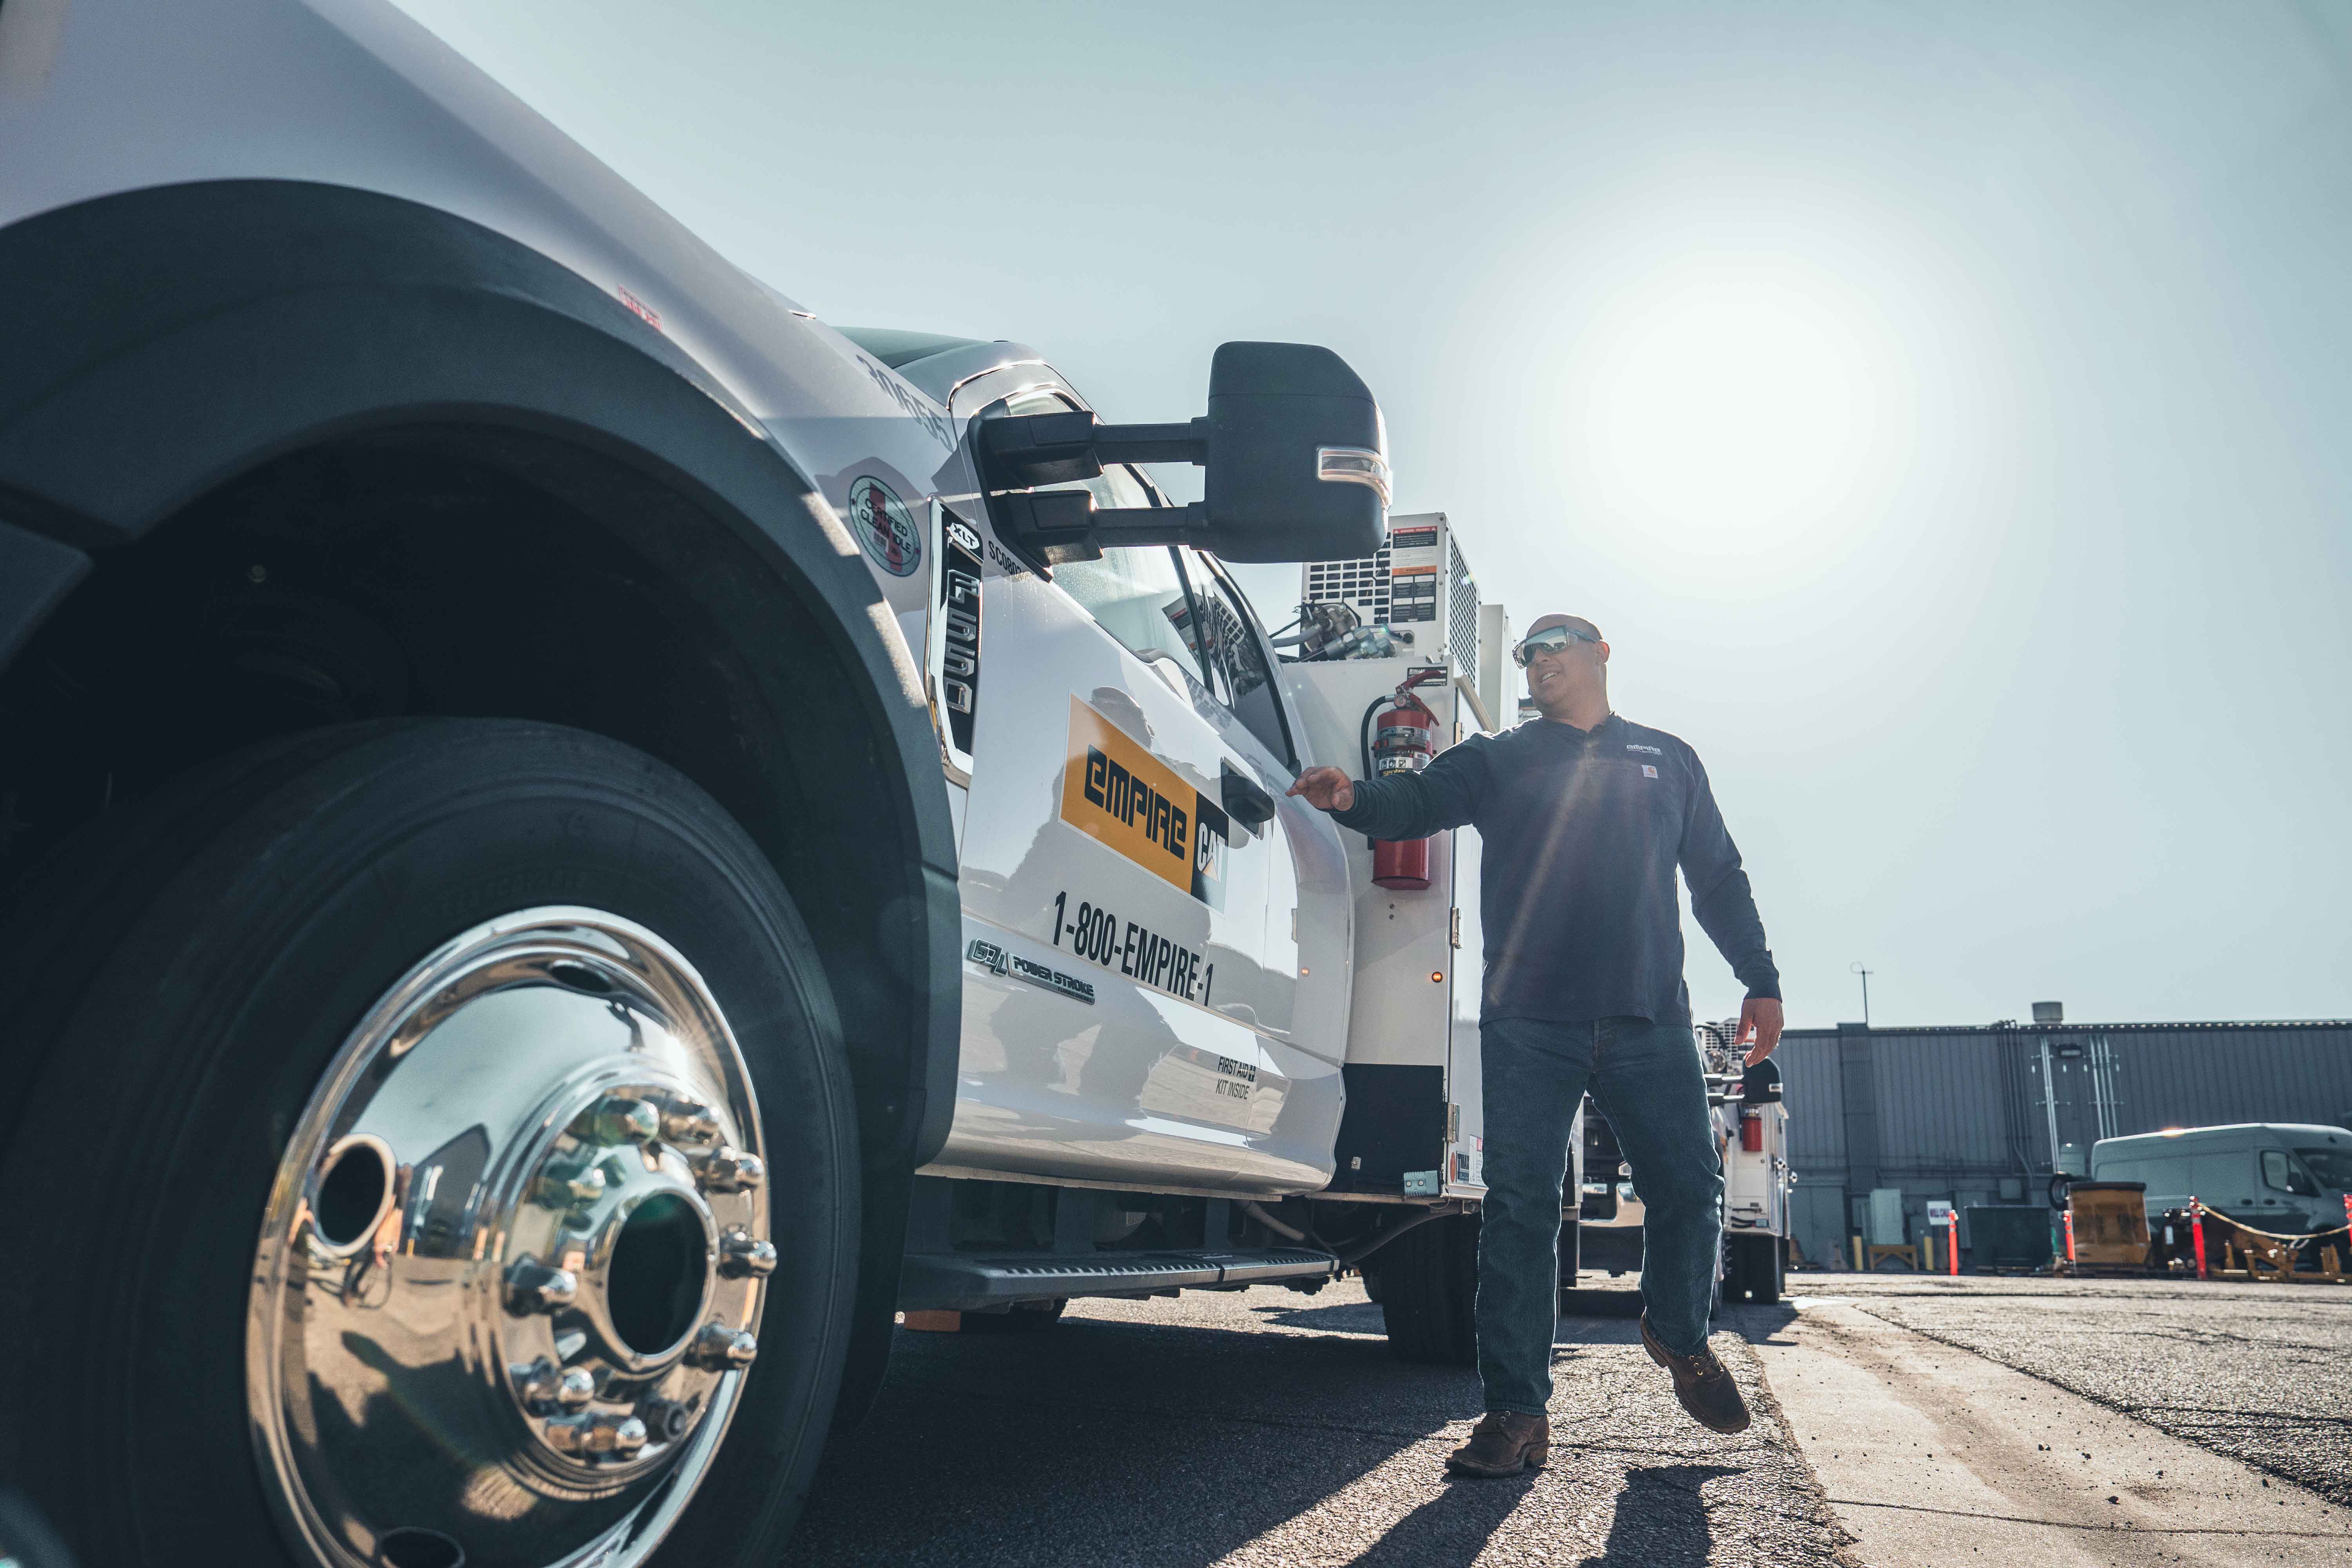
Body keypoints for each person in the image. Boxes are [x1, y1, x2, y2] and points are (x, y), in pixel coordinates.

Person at [1287, 613, 1784, 1478]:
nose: (1540, 658)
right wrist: (1352, 798)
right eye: (1529, 651)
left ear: (1600, 655)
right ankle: (1516, 1413)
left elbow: (1717, 876)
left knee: (1690, 1189)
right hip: (1530, 1017)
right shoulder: (1502, 756)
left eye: (1558, 645)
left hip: (1649, 1016)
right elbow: (1420, 800)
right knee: (1518, 1211)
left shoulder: (1668, 758)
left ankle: (1677, 1334)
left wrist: (1760, 977)